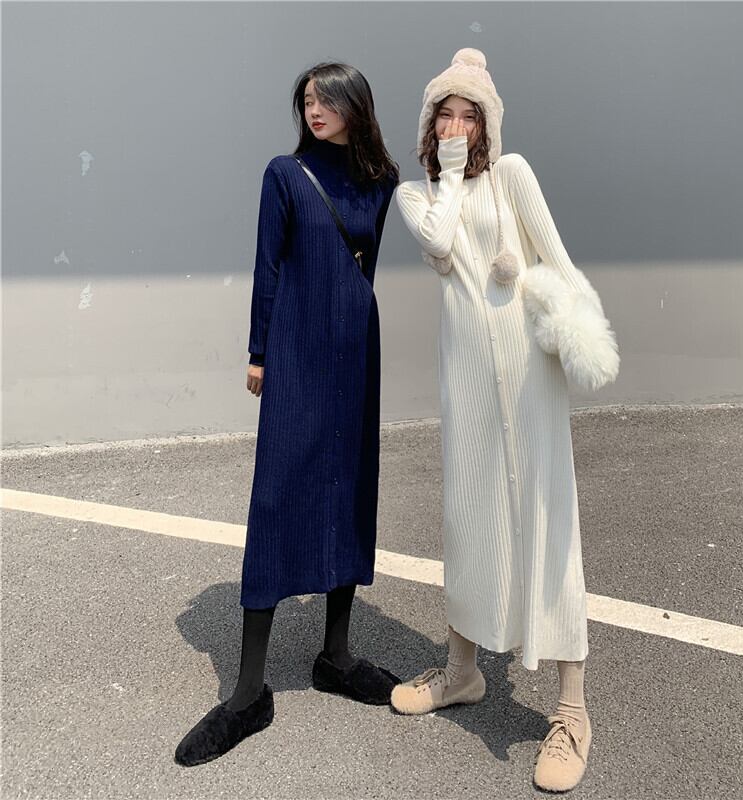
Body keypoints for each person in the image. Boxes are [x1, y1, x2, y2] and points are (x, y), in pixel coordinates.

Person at [175, 61, 400, 767]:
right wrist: (258, 352)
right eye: (306, 100)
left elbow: (365, 265)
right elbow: (268, 265)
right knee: (277, 497)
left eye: (327, 99)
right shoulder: (285, 174)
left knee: (350, 488)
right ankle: (248, 693)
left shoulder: (381, 181)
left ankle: (336, 656)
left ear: (355, 106)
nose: (314, 109)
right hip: (297, 351)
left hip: (356, 351)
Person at [391, 48, 594, 793]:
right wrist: (446, 175)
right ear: (429, 124)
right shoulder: (416, 195)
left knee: (548, 518)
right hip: (468, 380)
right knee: (468, 516)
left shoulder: (513, 175)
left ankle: (572, 710)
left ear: (488, 124)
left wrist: (576, 329)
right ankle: (463, 672)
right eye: (443, 113)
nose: (455, 125)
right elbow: (440, 242)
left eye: (468, 115)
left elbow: (559, 264)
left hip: (530, 377)